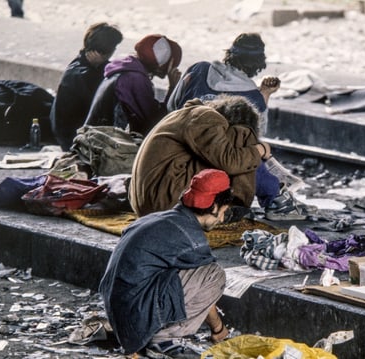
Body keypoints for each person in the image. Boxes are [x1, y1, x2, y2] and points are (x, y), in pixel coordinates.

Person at [99, 169, 233, 357]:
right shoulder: (191, 238)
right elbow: (205, 288)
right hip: (134, 319)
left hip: (119, 316)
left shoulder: (155, 219)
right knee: (214, 274)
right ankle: (162, 340)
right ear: (214, 206)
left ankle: (147, 333)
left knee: (197, 272)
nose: (222, 219)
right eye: (223, 212)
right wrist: (219, 329)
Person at [129, 94, 307, 221]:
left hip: (152, 202)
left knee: (238, 152)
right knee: (242, 138)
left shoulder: (193, 115)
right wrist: (259, 149)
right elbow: (229, 161)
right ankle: (273, 199)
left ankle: (272, 194)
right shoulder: (205, 117)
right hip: (164, 203)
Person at [167, 32, 279, 136]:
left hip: (178, 145)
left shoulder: (198, 69)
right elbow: (257, 134)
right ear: (259, 63)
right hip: (216, 155)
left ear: (230, 53)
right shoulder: (253, 96)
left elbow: (171, 106)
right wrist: (265, 94)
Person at [84, 34, 182, 137]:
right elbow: (155, 122)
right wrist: (173, 88)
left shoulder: (123, 69)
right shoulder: (135, 78)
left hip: (93, 138)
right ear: (161, 66)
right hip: (103, 144)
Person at [50, 22, 123, 150]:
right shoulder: (82, 75)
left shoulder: (82, 63)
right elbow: (98, 108)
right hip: (74, 138)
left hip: (71, 133)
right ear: (105, 51)